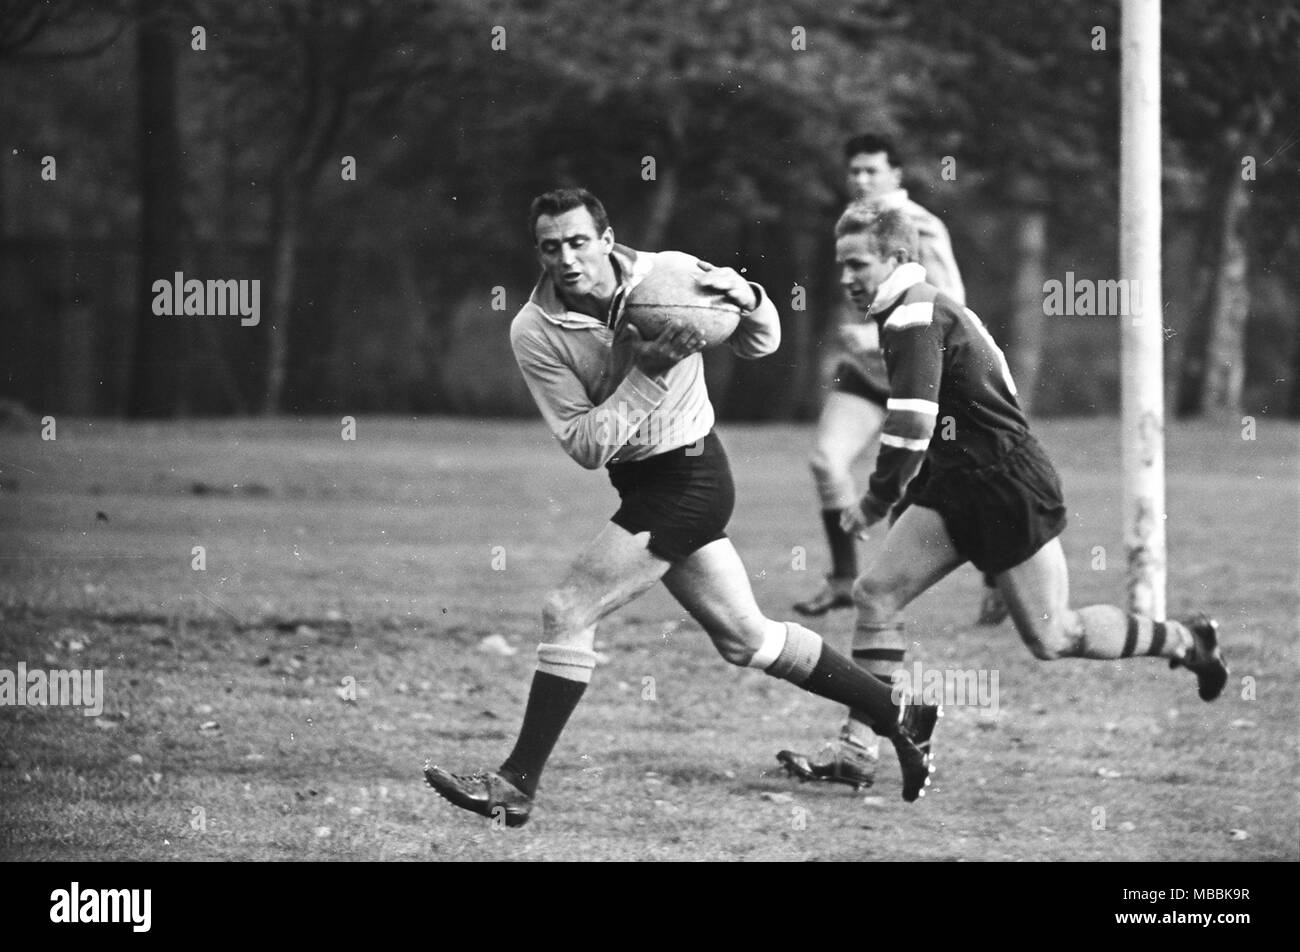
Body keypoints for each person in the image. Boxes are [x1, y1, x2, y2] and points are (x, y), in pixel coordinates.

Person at [423, 188, 939, 827]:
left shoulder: (669, 274)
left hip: (692, 476)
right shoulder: (534, 329)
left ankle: (513, 784)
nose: (567, 258)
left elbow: (761, 342)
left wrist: (749, 296)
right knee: (746, 639)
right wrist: (646, 377)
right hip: (639, 483)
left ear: (606, 240)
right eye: (551, 246)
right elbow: (585, 445)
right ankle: (901, 714)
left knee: (568, 608)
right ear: (539, 252)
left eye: (579, 241)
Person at [780, 205, 1227, 786]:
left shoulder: (916, 316)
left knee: (1053, 636)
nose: (845, 278)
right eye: (840, 265)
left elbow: (912, 428)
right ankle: (857, 753)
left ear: (897, 259)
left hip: (1003, 486)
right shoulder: (908, 311)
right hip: (955, 482)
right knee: (876, 595)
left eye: (857, 263)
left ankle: (1189, 639)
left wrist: (874, 500)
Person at [784, 134, 1005, 790]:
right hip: (869, 373)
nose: (857, 177)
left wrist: (879, 498)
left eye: (869, 169)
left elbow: (949, 302)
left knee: (1055, 629)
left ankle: (999, 564)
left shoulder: (920, 228)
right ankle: (860, 741)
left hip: (923, 386)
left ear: (895, 174)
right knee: (829, 466)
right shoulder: (851, 226)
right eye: (850, 167)